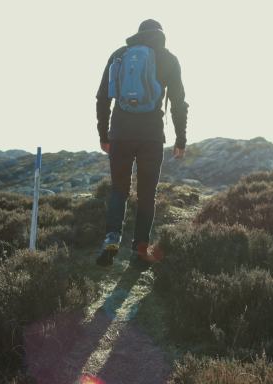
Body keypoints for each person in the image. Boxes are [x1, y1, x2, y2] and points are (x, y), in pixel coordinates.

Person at [95, 19, 189, 266]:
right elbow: (179, 102)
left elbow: (102, 98)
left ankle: (112, 239)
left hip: (121, 134)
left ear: (139, 34)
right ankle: (139, 251)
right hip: (151, 136)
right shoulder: (168, 58)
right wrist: (181, 139)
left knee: (119, 190)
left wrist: (104, 135)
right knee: (147, 194)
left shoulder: (120, 55)